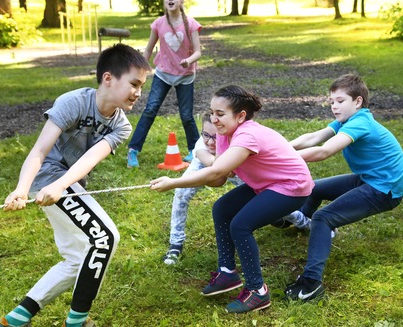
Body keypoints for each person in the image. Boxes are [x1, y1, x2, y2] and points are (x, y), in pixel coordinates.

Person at [0, 44, 151, 327]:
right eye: (134, 83)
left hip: (65, 184)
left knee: (77, 258)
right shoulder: (73, 102)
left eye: (141, 86)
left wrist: (62, 186)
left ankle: (15, 319)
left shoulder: (122, 126)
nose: (139, 92)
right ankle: (76, 321)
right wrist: (21, 188)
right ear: (108, 78)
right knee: (104, 239)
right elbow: (39, 151)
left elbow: (90, 159)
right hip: (46, 179)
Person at [151, 85, 315, 313]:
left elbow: (216, 172)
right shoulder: (224, 136)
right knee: (222, 209)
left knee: (241, 225)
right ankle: (227, 272)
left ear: (240, 116)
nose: (214, 119)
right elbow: (219, 177)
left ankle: (258, 291)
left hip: (293, 186)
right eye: (211, 113)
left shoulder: (247, 134)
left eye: (220, 114)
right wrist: (207, 167)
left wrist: (173, 182)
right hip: (267, 184)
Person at [284, 74, 403, 302]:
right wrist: (280, 149)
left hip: (384, 189)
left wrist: (279, 160)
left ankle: (311, 285)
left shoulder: (360, 122)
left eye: (340, 101)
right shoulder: (346, 121)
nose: (334, 106)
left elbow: (324, 151)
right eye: (331, 101)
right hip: (369, 178)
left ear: (358, 102)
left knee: (324, 218)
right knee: (314, 189)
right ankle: (302, 220)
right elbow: (313, 137)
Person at [127, 0, 202, 168]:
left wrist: (188, 60)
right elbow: (148, 49)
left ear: (181, 1)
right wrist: (139, 71)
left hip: (185, 75)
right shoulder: (158, 24)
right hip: (163, 73)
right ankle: (133, 150)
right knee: (150, 109)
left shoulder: (191, 24)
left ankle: (195, 151)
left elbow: (198, 51)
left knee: (187, 116)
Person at [163, 113, 243, 265]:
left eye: (216, 137)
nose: (210, 142)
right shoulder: (202, 145)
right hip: (211, 164)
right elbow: (213, 165)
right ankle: (176, 243)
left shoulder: (237, 142)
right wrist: (228, 166)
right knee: (181, 192)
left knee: (262, 192)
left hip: (234, 163)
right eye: (206, 135)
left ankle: (298, 219)